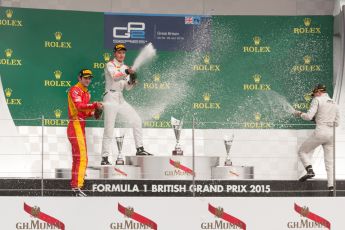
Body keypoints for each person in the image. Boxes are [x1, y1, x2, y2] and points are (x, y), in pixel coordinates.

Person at [101, 43, 152, 166]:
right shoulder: (110, 65)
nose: (121, 55)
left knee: (136, 120)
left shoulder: (125, 67)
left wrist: (132, 82)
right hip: (110, 98)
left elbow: (126, 87)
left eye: (123, 53)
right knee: (109, 129)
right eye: (119, 52)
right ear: (115, 53)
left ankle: (139, 149)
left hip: (120, 98)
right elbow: (115, 77)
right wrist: (127, 72)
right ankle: (105, 158)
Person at [294, 84, 340, 195]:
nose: (313, 95)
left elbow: (309, 116)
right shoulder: (334, 103)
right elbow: (337, 123)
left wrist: (299, 113)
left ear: (319, 92)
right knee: (329, 163)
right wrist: (322, 119)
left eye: (314, 93)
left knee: (302, 151)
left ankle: (310, 170)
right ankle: (331, 188)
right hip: (331, 134)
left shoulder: (317, 100)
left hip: (320, 132)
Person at [67, 69, 103, 196]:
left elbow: (85, 112)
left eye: (89, 78)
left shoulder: (86, 93)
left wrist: (95, 113)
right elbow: (79, 107)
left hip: (80, 125)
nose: (88, 80)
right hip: (75, 124)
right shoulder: (75, 90)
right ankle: (77, 187)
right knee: (82, 158)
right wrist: (94, 105)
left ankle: (75, 187)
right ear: (79, 78)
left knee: (78, 158)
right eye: (85, 78)